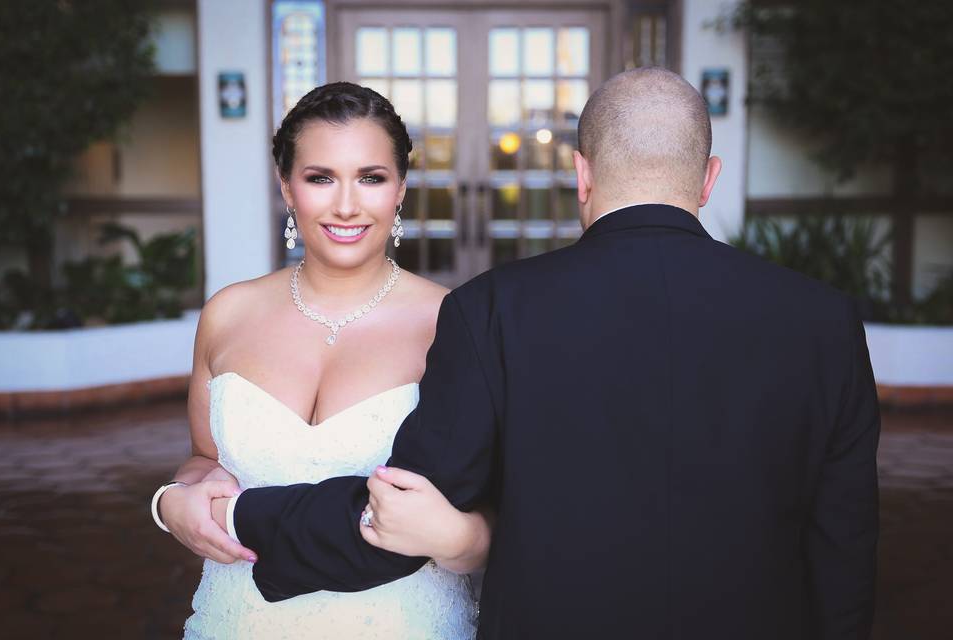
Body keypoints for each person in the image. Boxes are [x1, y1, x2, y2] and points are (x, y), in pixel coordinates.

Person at [197, 67, 880, 639]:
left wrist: (223, 515)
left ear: (581, 174)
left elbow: (405, 509)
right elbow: (844, 549)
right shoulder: (824, 322)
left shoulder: (493, 310)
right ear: (708, 178)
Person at [150, 82, 485, 639]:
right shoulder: (228, 314)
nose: (347, 205)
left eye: (371, 178)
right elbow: (204, 459)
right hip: (239, 619)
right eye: (320, 177)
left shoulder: (455, 324)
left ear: (401, 188)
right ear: (287, 187)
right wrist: (172, 502)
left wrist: (460, 541)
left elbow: (490, 520)